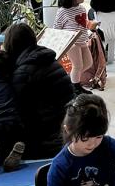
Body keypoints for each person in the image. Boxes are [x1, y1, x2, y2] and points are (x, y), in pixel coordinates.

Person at [4, 22, 73, 159]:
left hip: (44, 143)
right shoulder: (50, 60)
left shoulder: (23, 73)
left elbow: (16, 114)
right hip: (67, 134)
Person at [54, 0, 93, 96]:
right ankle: (76, 88)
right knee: (78, 65)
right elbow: (57, 28)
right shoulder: (62, 11)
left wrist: (90, 28)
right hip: (71, 43)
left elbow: (83, 24)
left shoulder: (82, 9)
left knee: (88, 63)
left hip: (82, 40)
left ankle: (72, 80)